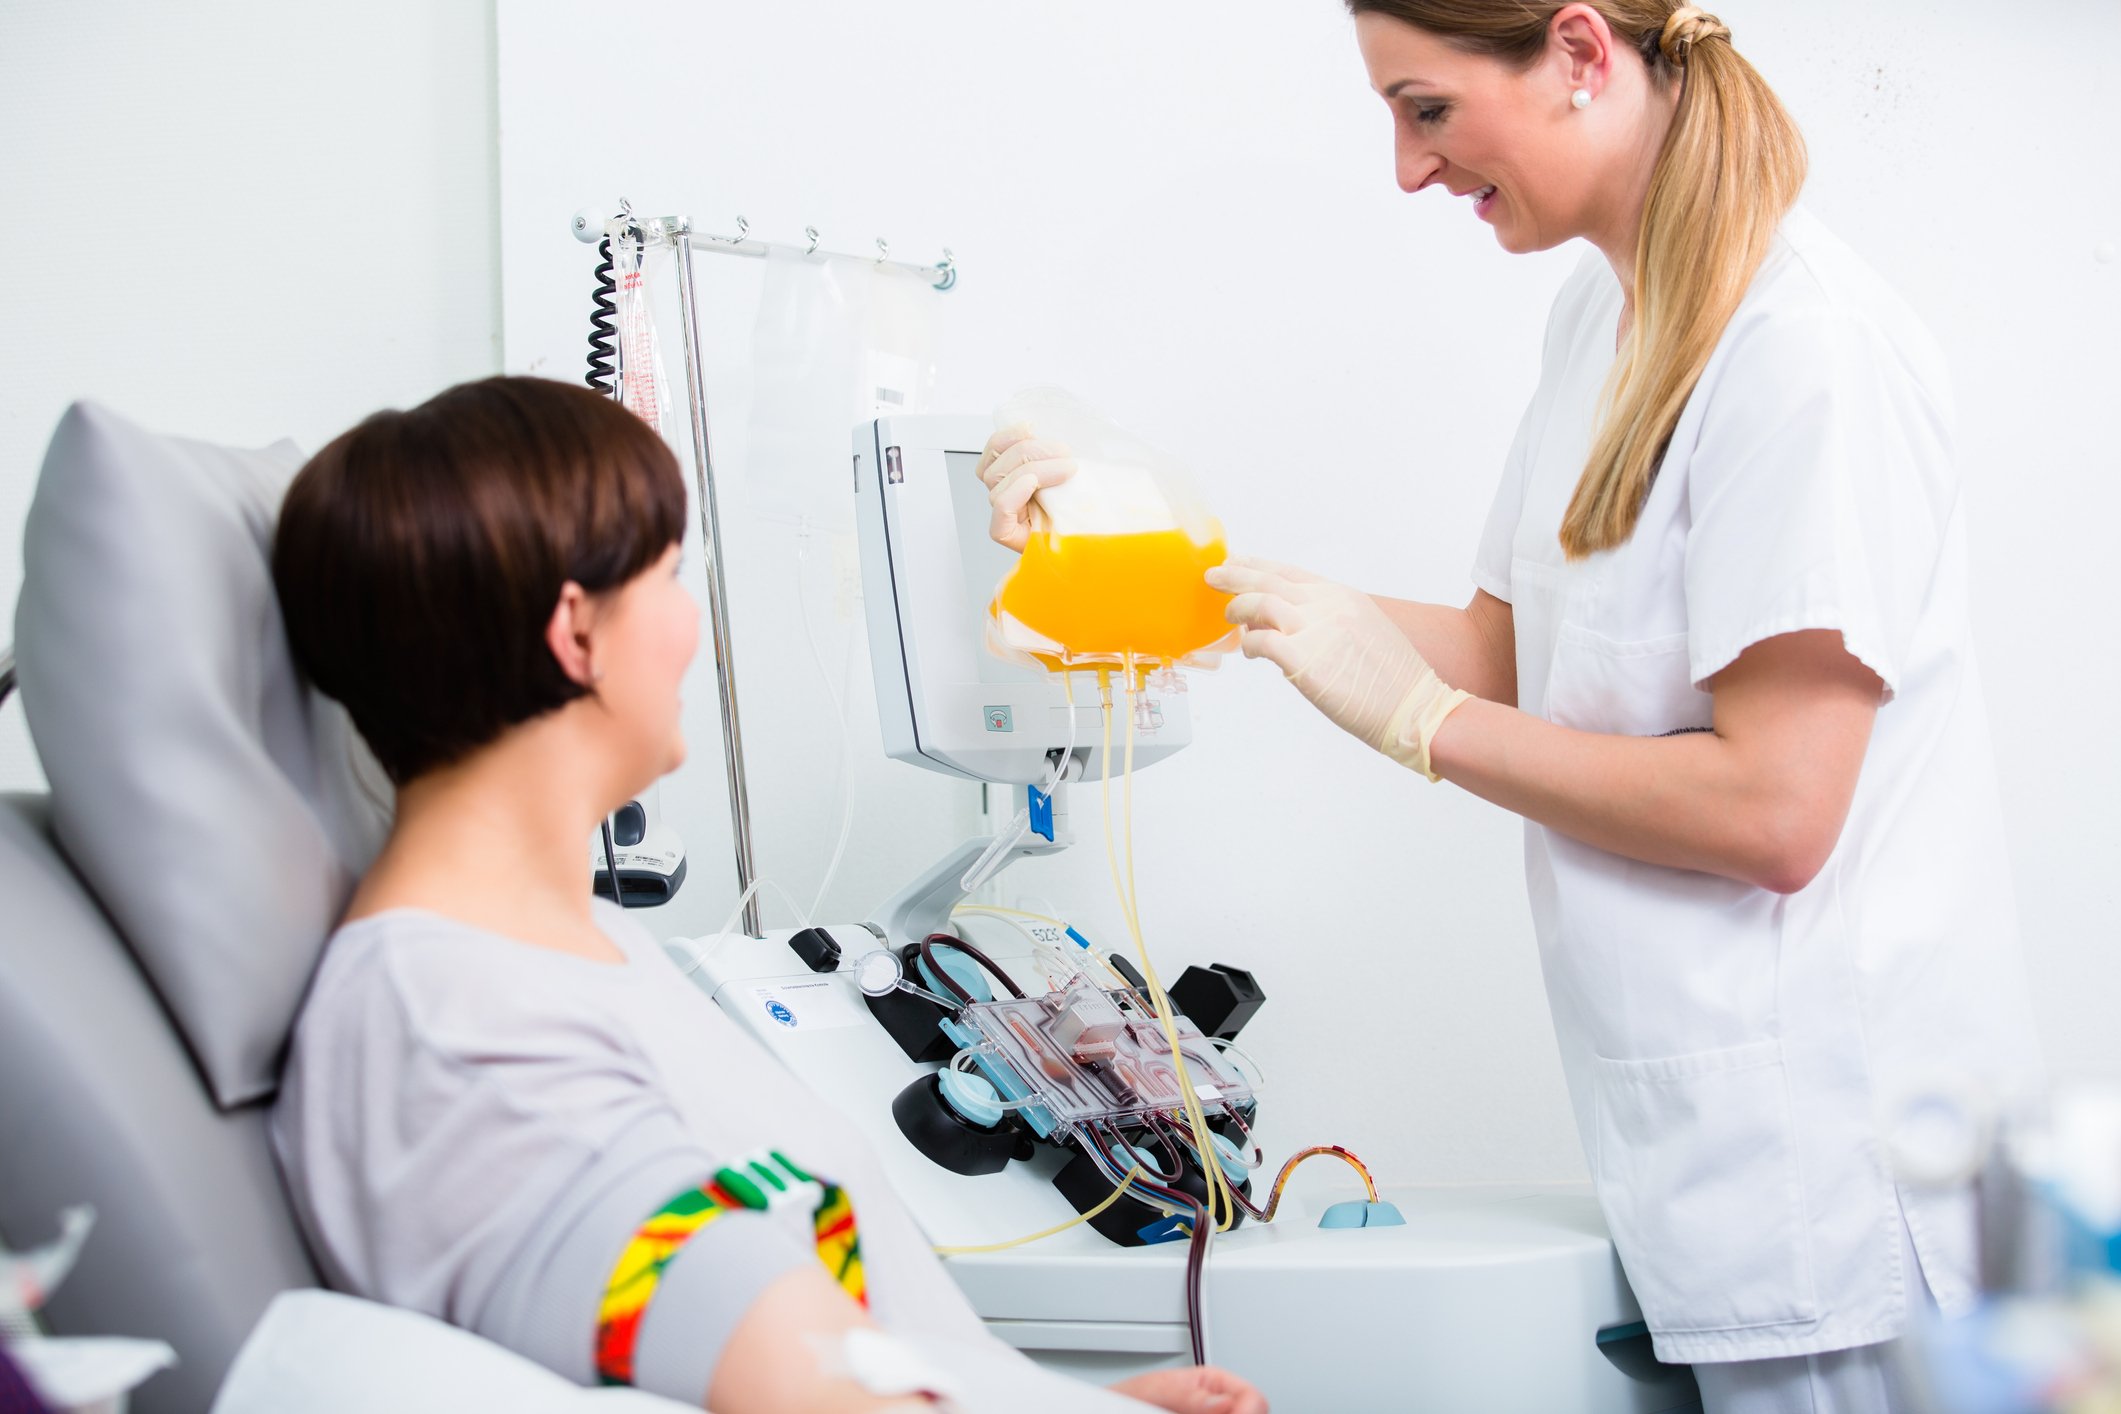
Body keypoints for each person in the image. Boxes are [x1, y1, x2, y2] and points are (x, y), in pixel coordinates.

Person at [979, 4, 2041, 1411]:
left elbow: (1776, 811)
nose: (1409, 170)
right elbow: (1521, 646)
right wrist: (1150, 561)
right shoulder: (1603, 312)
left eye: (1425, 108)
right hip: (1714, 1166)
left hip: (1842, 1194)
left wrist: (1420, 724)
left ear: (1582, 53)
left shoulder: (1803, 351)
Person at [268, 377, 1266, 1414]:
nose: (690, 626)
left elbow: (813, 1321)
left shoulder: (572, 948)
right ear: (577, 632)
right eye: (665, 577)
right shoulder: (457, 1027)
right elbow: (803, 1390)